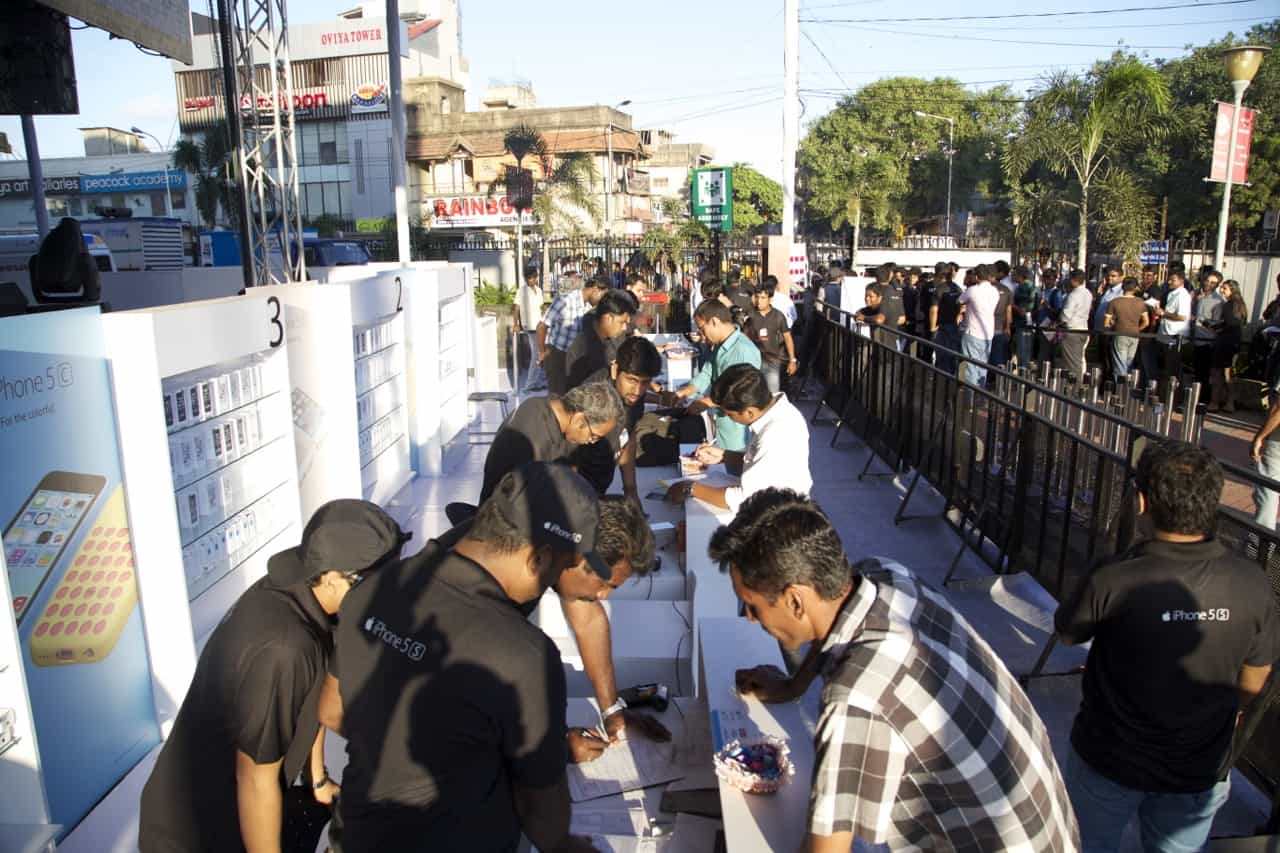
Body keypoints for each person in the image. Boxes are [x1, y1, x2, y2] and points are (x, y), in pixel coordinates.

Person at [715, 489, 1079, 852]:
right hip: (1049, 828)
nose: (750, 618)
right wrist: (793, 686)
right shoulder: (884, 575)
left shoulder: (855, 699)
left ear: (795, 600)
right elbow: (831, 628)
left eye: (753, 606)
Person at [323, 464, 613, 853]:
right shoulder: (525, 655)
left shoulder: (373, 589)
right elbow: (542, 816)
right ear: (538, 558)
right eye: (560, 568)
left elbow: (331, 709)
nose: (552, 583)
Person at [139, 500, 407, 853]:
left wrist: (317, 779)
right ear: (332, 579)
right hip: (198, 831)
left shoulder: (303, 589)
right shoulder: (285, 648)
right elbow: (255, 778)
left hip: (236, 801)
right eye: (380, 582)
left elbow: (313, 698)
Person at [1055, 441, 1280, 852]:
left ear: (1141, 501)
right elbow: (1256, 676)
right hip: (1199, 767)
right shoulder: (1252, 582)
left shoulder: (1113, 577)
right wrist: (1229, 712)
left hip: (1109, 759)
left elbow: (1069, 630)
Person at [666, 365, 811, 511]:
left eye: (730, 414)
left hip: (780, 514)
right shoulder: (769, 411)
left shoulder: (775, 435)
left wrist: (690, 488)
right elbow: (759, 462)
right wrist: (724, 456)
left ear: (749, 412)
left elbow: (746, 499)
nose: (728, 417)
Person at [479, 382, 624, 504]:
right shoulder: (536, 441)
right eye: (594, 436)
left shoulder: (550, 406)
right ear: (579, 419)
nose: (591, 442)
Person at [569, 336, 664, 498]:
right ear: (615, 370)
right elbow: (567, 451)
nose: (638, 391)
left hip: (601, 483)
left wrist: (631, 491)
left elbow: (628, 436)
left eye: (645, 383)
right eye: (631, 380)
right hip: (576, 489)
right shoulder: (590, 397)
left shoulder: (634, 395)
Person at [667, 299, 762, 452]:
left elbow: (740, 394)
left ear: (714, 322)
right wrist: (685, 391)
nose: (701, 335)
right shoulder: (719, 345)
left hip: (737, 427)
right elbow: (707, 372)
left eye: (701, 329)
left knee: (732, 461)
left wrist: (706, 402)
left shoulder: (744, 350)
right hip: (720, 421)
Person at [538, 274, 607, 396]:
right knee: (557, 396)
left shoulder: (588, 307)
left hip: (574, 357)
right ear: (595, 289)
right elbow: (541, 326)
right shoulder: (565, 301)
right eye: (603, 296)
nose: (601, 301)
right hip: (557, 355)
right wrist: (541, 352)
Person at [565, 289, 634, 390]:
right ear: (608, 318)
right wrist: (610, 374)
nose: (625, 328)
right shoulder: (581, 347)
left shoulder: (613, 340)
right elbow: (577, 391)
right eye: (622, 322)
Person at [743, 283, 797, 394]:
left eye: (763, 298)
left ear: (770, 299)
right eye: (757, 297)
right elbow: (743, 339)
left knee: (773, 392)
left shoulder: (778, 316)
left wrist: (792, 360)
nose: (759, 301)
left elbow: (787, 337)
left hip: (772, 361)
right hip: (753, 362)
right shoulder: (750, 316)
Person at [956, 263, 1000, 386]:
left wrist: (965, 307)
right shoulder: (995, 291)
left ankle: (970, 395)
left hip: (973, 332)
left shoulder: (973, 290)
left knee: (970, 367)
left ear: (976, 277)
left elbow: (959, 300)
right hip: (988, 334)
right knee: (982, 366)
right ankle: (980, 393)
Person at [1209, 279, 1246, 414]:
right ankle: (1229, 403)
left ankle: (1215, 402)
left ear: (1232, 290)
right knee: (1228, 373)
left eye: (1224, 288)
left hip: (1225, 342)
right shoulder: (1240, 304)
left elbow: (1229, 324)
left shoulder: (1229, 305)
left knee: (1218, 373)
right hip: (1234, 342)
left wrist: (1214, 326)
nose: (1222, 291)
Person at [1103, 276, 1149, 382]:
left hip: (1120, 334)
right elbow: (1146, 322)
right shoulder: (1140, 302)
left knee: (1119, 363)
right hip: (1135, 335)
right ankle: (1129, 385)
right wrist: (1137, 328)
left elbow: (1106, 323)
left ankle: (1120, 387)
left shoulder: (1114, 302)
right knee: (1129, 363)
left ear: (1122, 287)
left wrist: (1113, 324)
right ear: (1135, 288)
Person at [1152, 271, 1192, 392]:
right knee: (1167, 368)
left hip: (1175, 337)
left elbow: (1182, 316)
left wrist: (1163, 313)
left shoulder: (1182, 295)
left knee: (1173, 370)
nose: (1169, 282)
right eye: (1169, 279)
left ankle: (1174, 395)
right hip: (1166, 335)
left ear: (1181, 281)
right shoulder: (1171, 293)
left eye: (1173, 280)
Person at [1191, 268, 1225, 391]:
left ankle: (1202, 397)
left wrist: (1198, 320)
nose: (1208, 284)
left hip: (1207, 341)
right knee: (1196, 372)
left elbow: (1215, 324)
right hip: (1196, 338)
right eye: (1207, 281)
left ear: (1217, 285)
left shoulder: (1218, 301)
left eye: (1213, 282)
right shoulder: (1199, 295)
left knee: (1204, 373)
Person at [1058, 269, 1092, 382]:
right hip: (1083, 329)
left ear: (1073, 280)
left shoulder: (1073, 295)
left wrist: (1059, 321)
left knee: (1072, 363)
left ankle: (1074, 386)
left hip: (1072, 331)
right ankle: (1076, 384)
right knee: (1079, 359)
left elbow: (1065, 315)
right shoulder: (1088, 293)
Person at [516, 267, 547, 392]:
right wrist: (516, 324)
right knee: (536, 354)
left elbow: (541, 307)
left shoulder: (539, 290)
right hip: (529, 326)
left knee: (540, 354)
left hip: (540, 325)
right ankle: (529, 384)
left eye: (534, 278)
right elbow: (516, 308)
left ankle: (536, 382)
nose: (532, 280)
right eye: (529, 278)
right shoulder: (521, 291)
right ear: (526, 278)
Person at [929, 268, 963, 375]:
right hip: (956, 326)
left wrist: (932, 327)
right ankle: (952, 378)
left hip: (942, 328)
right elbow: (962, 306)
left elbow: (934, 310)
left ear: (940, 277)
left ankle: (943, 380)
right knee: (954, 355)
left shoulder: (939, 289)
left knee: (942, 357)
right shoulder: (958, 288)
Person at [1011, 265, 1041, 367]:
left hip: (1022, 323)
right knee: (1028, 350)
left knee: (1022, 351)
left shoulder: (1022, 288)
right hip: (1031, 323)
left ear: (1020, 276)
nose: (1012, 275)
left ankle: (1022, 372)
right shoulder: (1035, 287)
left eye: (1014, 274)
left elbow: (1022, 311)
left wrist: (1011, 304)